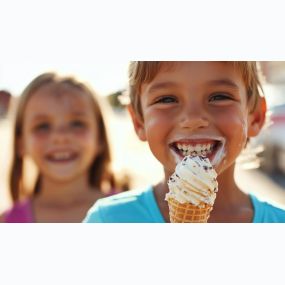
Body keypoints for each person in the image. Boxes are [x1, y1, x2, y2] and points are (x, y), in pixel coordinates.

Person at [83, 61, 285, 223]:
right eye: (167, 99)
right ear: (139, 122)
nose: (193, 119)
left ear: (256, 116)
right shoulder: (108, 220)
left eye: (219, 96)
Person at [0, 72, 125, 222]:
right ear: (21, 143)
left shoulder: (129, 211)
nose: (60, 137)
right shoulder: (8, 221)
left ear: (100, 138)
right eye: (43, 126)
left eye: (77, 123)